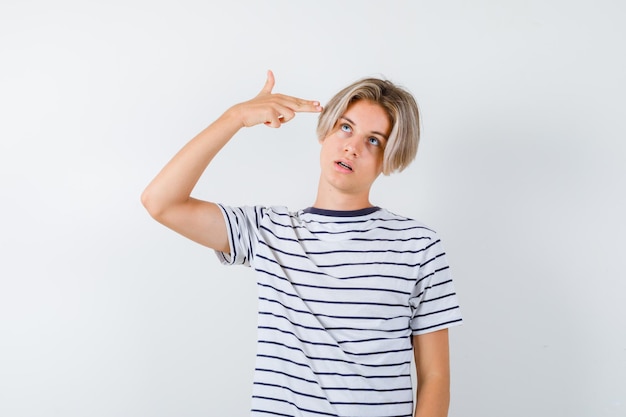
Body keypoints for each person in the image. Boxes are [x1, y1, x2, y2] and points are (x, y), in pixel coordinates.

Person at [141, 70, 463, 417]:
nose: (351, 147)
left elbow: (435, 376)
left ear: (390, 157)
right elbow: (160, 202)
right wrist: (235, 117)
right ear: (325, 131)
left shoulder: (417, 245)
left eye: (374, 140)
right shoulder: (269, 231)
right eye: (346, 127)